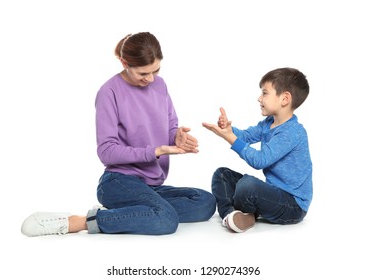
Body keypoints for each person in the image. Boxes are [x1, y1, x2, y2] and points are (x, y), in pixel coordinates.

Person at [21, 32, 216, 237]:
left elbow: (169, 126)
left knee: (205, 203)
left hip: (151, 185)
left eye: (155, 71)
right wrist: (156, 151)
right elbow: (106, 151)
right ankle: (79, 222)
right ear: (124, 62)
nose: (150, 79)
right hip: (119, 181)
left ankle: (131, 213)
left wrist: (176, 136)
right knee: (166, 219)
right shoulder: (109, 92)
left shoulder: (160, 85)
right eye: (142, 74)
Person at [202, 67, 312, 233]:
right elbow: (246, 136)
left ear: (285, 98)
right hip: (272, 194)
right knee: (222, 174)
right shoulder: (269, 123)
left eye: (265, 93)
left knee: (247, 186)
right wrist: (229, 130)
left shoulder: (292, 132)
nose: (259, 98)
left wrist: (230, 138)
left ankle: (246, 212)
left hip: (292, 205)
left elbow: (259, 160)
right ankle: (231, 216)